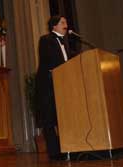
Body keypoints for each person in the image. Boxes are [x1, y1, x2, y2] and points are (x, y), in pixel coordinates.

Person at [35, 15, 75, 160]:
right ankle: (54, 152)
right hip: (48, 84)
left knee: (63, 117)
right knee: (49, 119)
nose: (66, 24)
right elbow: (48, 59)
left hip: (63, 83)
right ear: (54, 26)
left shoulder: (65, 42)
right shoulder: (46, 40)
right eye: (62, 22)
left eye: (66, 22)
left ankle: (69, 147)